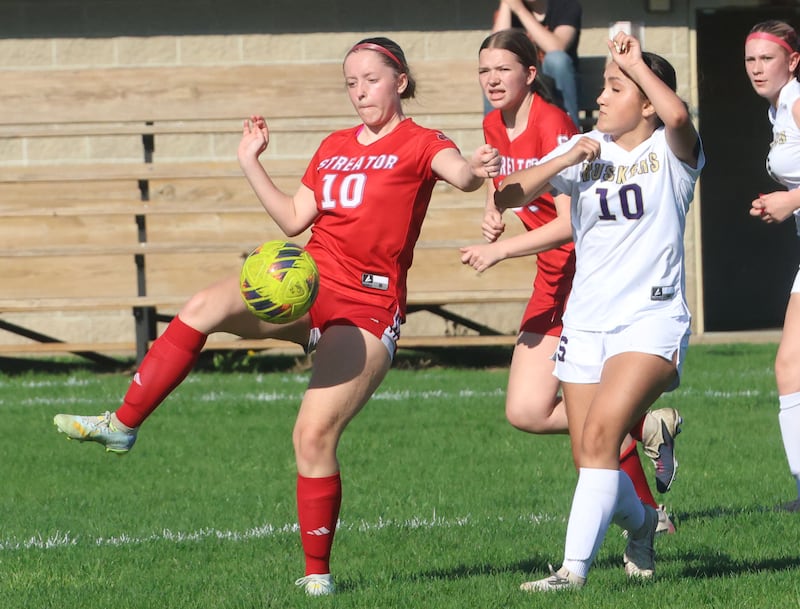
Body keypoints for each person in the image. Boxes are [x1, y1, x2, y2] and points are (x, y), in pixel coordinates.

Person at [52, 36, 501, 597]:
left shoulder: (421, 141)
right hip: (308, 283)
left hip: (365, 307)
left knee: (312, 436)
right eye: (351, 82)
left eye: (371, 79)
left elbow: (460, 174)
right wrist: (249, 162)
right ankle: (122, 425)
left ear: (401, 81)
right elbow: (294, 218)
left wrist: (478, 168)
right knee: (201, 307)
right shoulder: (335, 143)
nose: (360, 91)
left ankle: (317, 578)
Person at [491, 32, 703, 591]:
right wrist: (564, 157)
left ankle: (571, 571)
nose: (601, 99)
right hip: (585, 322)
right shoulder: (586, 146)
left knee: (605, 432)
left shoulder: (670, 152)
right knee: (590, 458)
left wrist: (635, 63)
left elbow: (678, 116)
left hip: (650, 320)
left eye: (615, 88)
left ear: (647, 102)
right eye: (603, 88)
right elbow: (507, 195)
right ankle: (642, 529)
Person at [745, 20, 800, 513]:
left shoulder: (799, 102)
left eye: (767, 58)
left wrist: (792, 201)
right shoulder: (778, 109)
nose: (757, 68)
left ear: (794, 61)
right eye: (750, 60)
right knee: (791, 363)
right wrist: (782, 204)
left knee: (790, 363)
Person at [491, 0, 582, 128]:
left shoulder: (566, 6)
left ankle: (570, 132)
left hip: (557, 85)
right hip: (523, 83)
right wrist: (506, 3)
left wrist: (520, 10)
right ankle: (496, 139)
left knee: (556, 60)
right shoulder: (509, 13)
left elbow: (556, 47)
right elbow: (495, 53)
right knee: (494, 73)